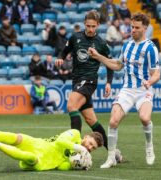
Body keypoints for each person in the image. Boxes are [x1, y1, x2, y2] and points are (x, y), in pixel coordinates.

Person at [88, 12, 161, 168]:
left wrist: (150, 81)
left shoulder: (150, 48)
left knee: (145, 118)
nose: (132, 30)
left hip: (143, 90)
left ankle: (149, 147)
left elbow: (157, 73)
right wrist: (98, 56)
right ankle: (111, 157)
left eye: (136, 27)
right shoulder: (127, 45)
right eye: (131, 27)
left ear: (145, 28)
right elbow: (117, 65)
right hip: (127, 90)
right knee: (113, 121)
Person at [55, 10, 115, 154]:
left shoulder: (101, 43)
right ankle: (113, 152)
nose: (90, 29)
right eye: (88, 26)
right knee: (91, 120)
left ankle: (75, 147)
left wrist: (108, 82)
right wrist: (61, 57)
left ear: (98, 25)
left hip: (89, 81)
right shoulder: (75, 37)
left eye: (93, 26)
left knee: (71, 106)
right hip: (77, 81)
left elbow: (110, 63)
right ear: (84, 24)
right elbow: (65, 51)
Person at [0, 129, 103, 171]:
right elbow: (60, 141)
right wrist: (79, 148)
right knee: (14, 137)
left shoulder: (81, 156)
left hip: (43, 162)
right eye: (90, 143)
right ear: (86, 136)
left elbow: (62, 166)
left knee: (30, 158)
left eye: (93, 148)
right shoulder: (75, 134)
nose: (89, 148)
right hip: (37, 143)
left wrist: (75, 165)